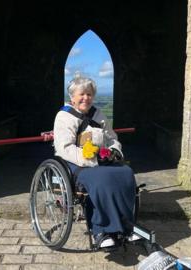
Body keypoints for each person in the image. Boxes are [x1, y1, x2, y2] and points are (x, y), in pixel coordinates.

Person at [53, 75, 138, 249]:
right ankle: (101, 230)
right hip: (76, 162)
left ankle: (125, 224)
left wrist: (114, 151)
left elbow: (112, 138)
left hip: (101, 160)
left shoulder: (98, 114)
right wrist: (89, 157)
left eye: (90, 94)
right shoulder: (64, 116)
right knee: (102, 179)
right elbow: (64, 148)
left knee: (125, 173)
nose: (86, 98)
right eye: (82, 94)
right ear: (72, 97)